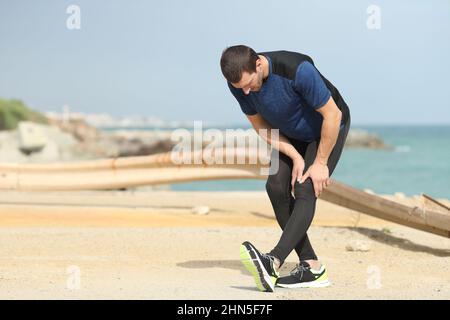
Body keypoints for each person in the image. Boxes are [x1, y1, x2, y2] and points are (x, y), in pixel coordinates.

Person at [220, 45, 351, 292]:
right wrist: (294, 155)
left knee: (305, 186)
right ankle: (311, 267)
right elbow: (261, 126)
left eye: (249, 84)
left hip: (326, 129)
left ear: (258, 64)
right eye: (241, 88)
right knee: (276, 186)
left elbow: (332, 115)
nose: (246, 91)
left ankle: (274, 260)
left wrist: (320, 162)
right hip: (291, 135)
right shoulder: (238, 83)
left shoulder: (297, 70)